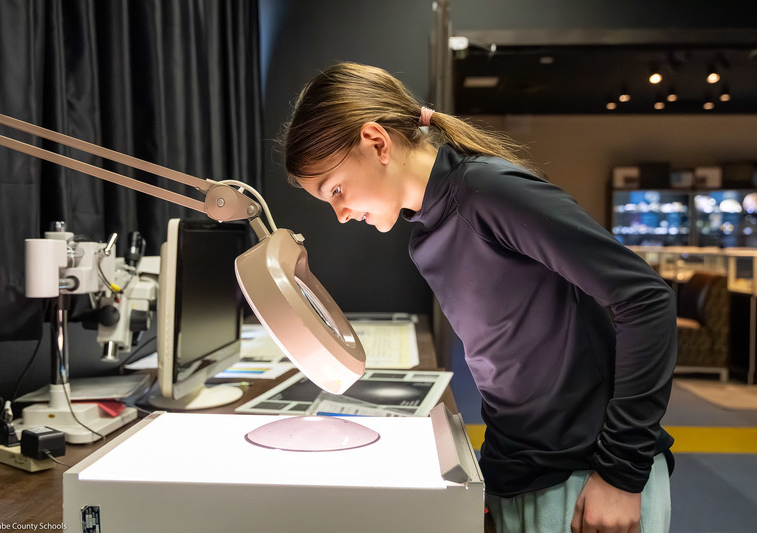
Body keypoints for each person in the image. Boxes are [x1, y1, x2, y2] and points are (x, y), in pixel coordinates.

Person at [280, 62, 676, 533]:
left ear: (377, 142)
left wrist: (620, 473)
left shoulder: (488, 192)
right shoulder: (425, 236)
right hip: (518, 469)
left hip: (588, 478)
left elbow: (645, 300)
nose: (341, 214)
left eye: (337, 190)